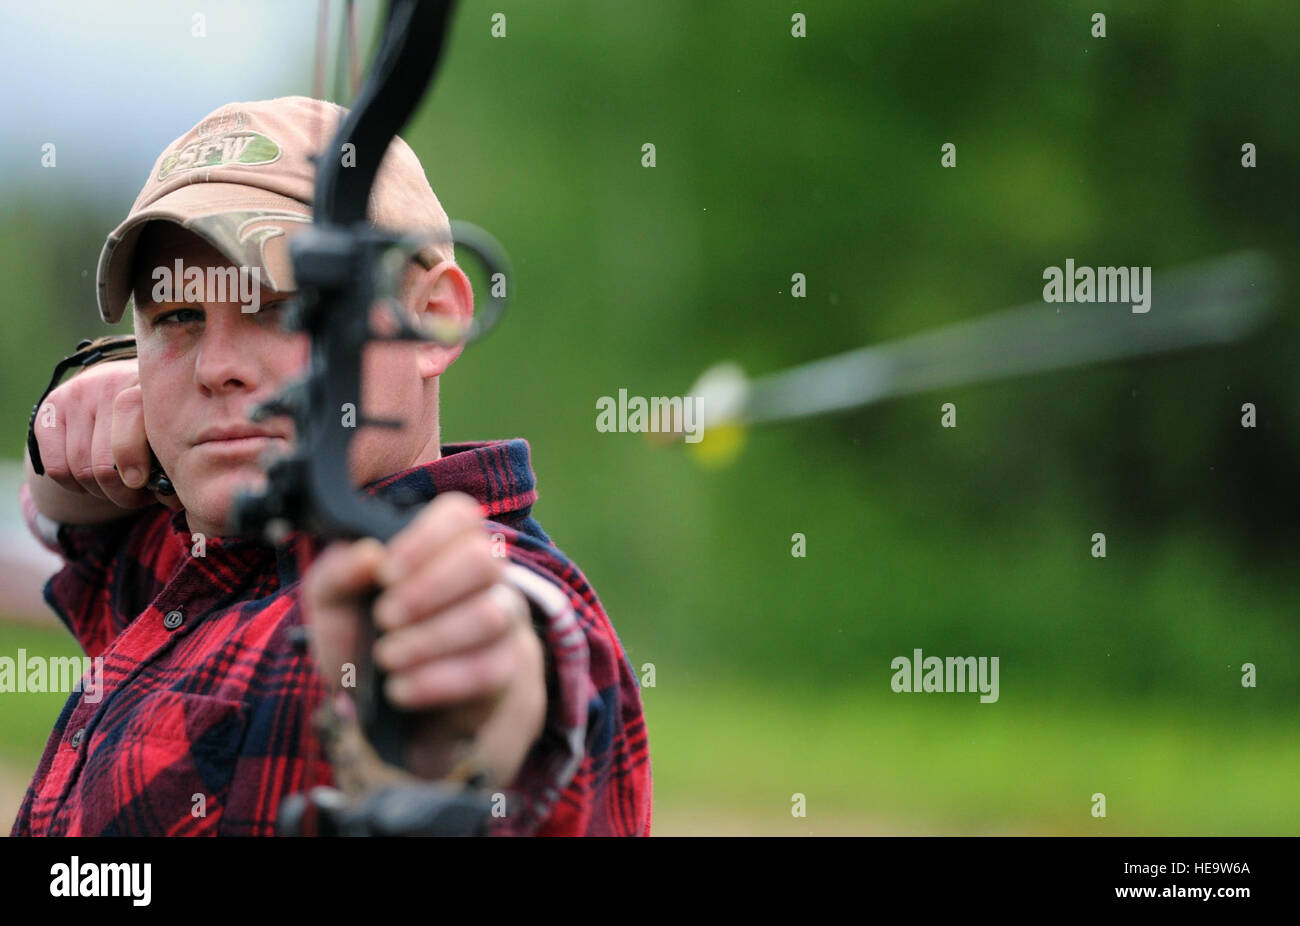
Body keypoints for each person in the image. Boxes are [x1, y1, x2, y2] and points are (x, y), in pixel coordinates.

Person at [14, 96, 651, 836]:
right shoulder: (211, 555)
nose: (216, 367)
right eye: (176, 318)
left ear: (432, 318)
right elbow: (61, 519)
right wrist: (71, 415)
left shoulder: (493, 591)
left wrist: (464, 708)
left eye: (284, 307)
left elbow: (533, 659)